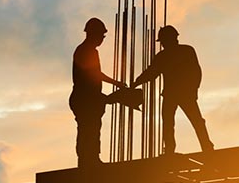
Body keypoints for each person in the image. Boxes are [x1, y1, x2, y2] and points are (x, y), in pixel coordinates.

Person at [132, 25, 214, 155]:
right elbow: (151, 73)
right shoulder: (172, 54)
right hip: (176, 94)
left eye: (163, 41)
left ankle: (204, 146)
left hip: (180, 93)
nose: (163, 44)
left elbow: (195, 72)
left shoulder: (182, 52)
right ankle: (198, 147)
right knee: (173, 122)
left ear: (171, 39)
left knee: (188, 121)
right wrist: (137, 81)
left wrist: (194, 90)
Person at [69, 17, 129, 168]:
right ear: (93, 34)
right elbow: (94, 75)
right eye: (101, 35)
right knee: (88, 129)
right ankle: (87, 161)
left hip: (88, 98)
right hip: (85, 99)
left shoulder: (87, 50)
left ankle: (90, 159)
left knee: (92, 128)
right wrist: (117, 84)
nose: (102, 39)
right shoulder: (86, 51)